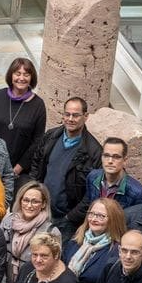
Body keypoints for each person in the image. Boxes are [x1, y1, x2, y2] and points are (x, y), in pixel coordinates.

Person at [26, 98, 98, 234]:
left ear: (86, 117)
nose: (70, 119)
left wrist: (70, 217)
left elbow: (91, 193)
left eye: (76, 115)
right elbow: (36, 164)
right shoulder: (50, 137)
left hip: (67, 220)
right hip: (41, 210)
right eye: (67, 114)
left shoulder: (93, 152)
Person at [0, 57, 47, 179]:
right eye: (17, 74)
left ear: (31, 78)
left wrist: (17, 169)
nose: (21, 78)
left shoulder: (38, 105)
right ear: (11, 76)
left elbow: (37, 141)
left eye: (26, 74)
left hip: (18, 169)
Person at [71, 137, 142, 229]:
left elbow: (133, 225)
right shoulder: (93, 176)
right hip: (91, 231)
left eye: (116, 157)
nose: (110, 161)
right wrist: (67, 219)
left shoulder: (137, 192)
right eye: (106, 156)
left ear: (125, 161)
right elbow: (87, 204)